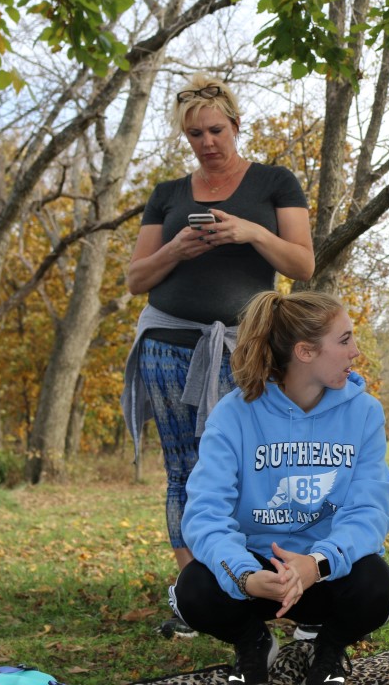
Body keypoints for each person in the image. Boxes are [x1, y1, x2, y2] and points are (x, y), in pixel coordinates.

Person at [121, 74, 315, 636]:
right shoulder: (168, 194)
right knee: (184, 470)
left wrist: (251, 233)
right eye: (194, 134)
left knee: (261, 467)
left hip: (244, 348)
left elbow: (303, 265)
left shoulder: (275, 182)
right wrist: (177, 249)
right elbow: (136, 278)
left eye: (215, 130)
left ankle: (278, 587)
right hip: (167, 345)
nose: (206, 142)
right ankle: (197, 597)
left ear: (235, 124)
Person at [170, 291, 389, 685]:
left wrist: (316, 564)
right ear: (305, 352)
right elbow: (205, 514)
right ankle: (254, 643)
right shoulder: (233, 414)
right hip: (257, 575)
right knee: (191, 589)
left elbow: (370, 510)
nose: (356, 351)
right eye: (344, 340)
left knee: (377, 587)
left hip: (324, 571)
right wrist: (244, 575)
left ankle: (328, 649)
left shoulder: (364, 412)